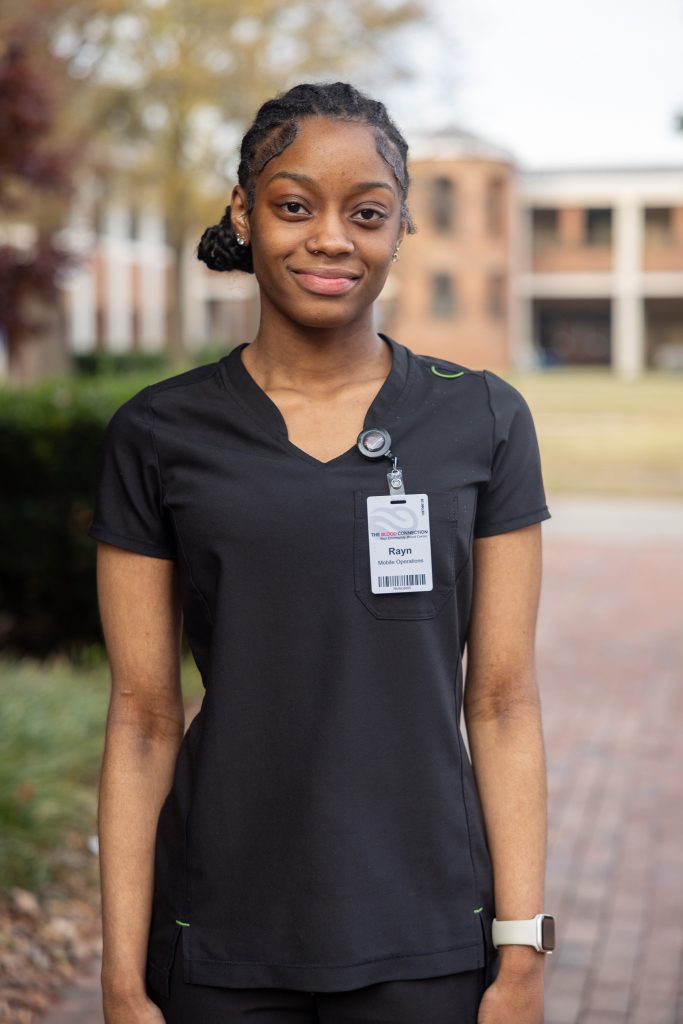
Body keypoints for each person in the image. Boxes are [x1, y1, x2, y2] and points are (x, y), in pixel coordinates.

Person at [88, 82, 553, 1024]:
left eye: (367, 213)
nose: (331, 238)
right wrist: (120, 975)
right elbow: (142, 719)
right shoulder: (159, 432)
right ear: (244, 216)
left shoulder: (484, 418)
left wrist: (521, 949)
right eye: (294, 206)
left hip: (427, 933)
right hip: (216, 933)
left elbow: (501, 703)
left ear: (401, 227)